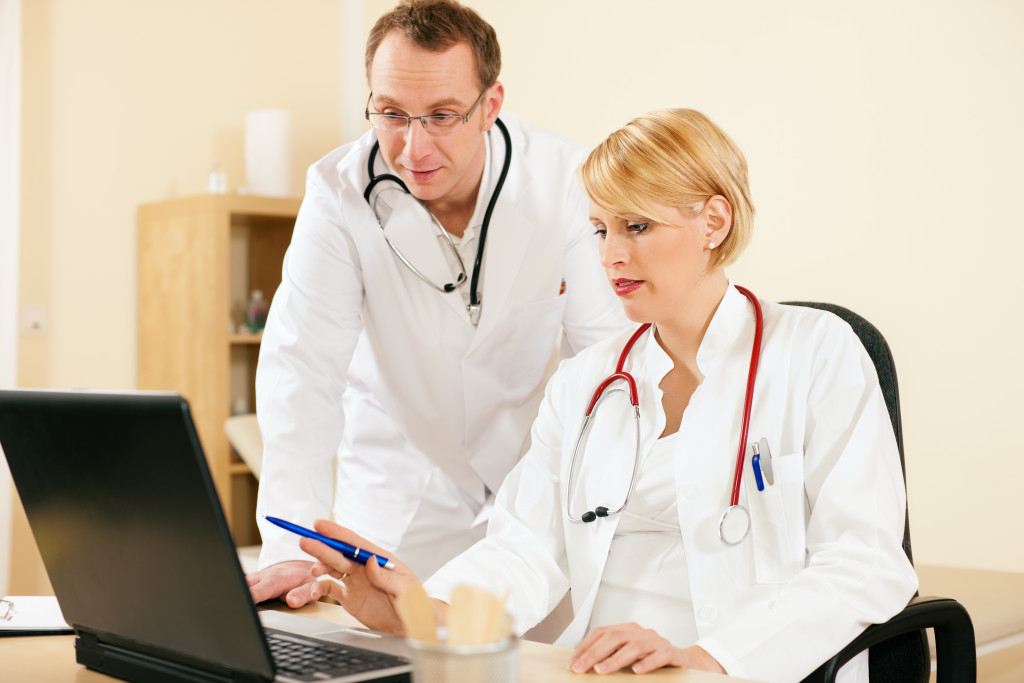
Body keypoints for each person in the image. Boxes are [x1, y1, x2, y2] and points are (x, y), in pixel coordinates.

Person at [295, 109, 920, 682]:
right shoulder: (588, 381)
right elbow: (526, 547)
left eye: (637, 226)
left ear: (715, 220)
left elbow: (864, 560)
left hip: (750, 667)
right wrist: (419, 610)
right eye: (599, 230)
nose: (611, 256)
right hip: (599, 670)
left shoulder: (817, 351)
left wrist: (705, 659)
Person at [247, 0, 626, 609]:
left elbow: (602, 361)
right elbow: (303, 369)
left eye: (442, 116)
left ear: (490, 106)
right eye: (391, 113)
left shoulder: (567, 182)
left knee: (529, 658)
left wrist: (588, 506)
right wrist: (288, 544)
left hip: (531, 477)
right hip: (399, 481)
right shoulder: (338, 191)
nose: (412, 148)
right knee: (384, 651)